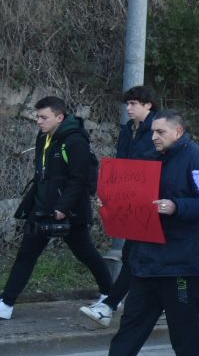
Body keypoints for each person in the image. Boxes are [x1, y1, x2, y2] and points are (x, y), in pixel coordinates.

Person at [71, 110, 199, 356]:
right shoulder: (151, 159)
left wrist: (178, 206)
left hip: (180, 263)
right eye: (152, 132)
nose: (154, 137)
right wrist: (111, 201)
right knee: (132, 321)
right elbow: (137, 198)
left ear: (178, 132)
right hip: (147, 259)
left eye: (160, 132)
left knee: (183, 325)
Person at [1, 97, 116, 321]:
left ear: (59, 117)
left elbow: (79, 179)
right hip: (42, 207)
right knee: (27, 253)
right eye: (37, 117)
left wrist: (62, 208)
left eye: (44, 117)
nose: (38, 121)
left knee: (85, 252)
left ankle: (110, 294)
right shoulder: (44, 137)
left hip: (70, 211)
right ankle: (6, 303)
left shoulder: (75, 141)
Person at [83, 86, 163, 326]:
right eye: (127, 104)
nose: (128, 109)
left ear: (148, 105)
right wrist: (112, 194)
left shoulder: (157, 130)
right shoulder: (128, 130)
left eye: (133, 104)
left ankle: (110, 304)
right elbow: (121, 165)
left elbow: (150, 166)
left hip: (150, 200)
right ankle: (116, 304)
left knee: (136, 255)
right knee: (138, 256)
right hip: (134, 198)